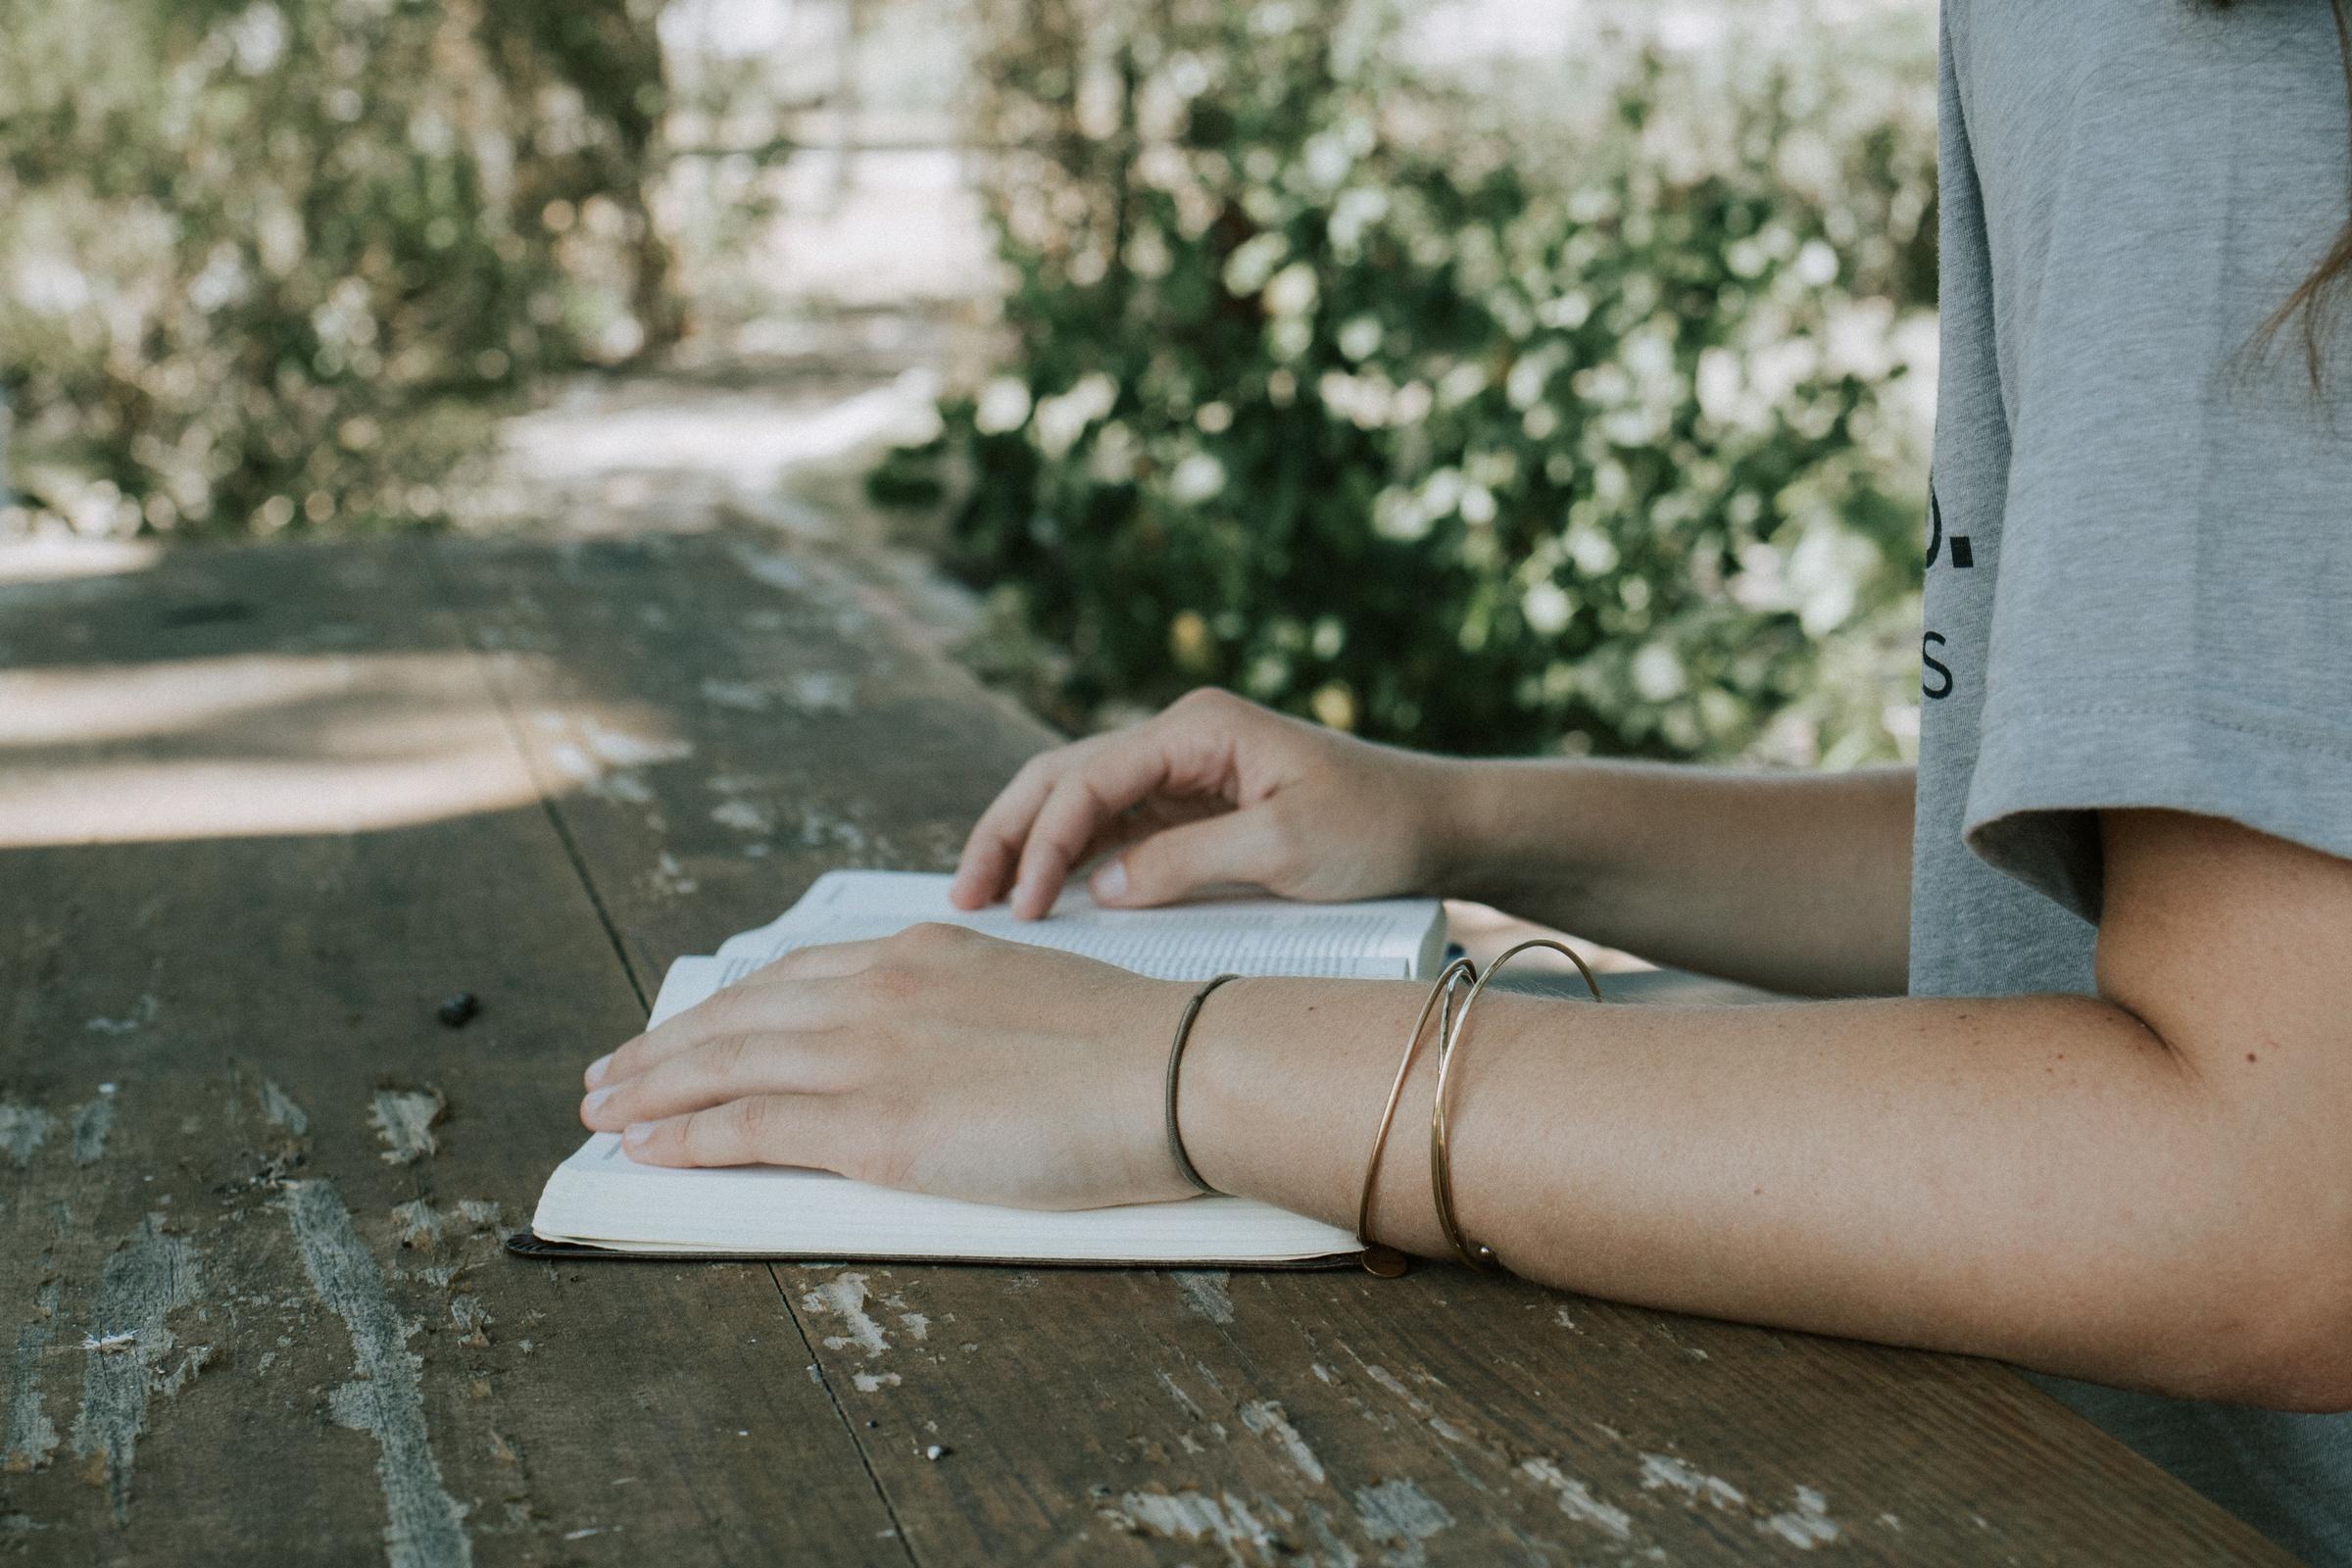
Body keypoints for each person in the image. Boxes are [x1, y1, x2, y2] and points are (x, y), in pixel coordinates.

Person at [576, 4, 2352, 1558]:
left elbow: (2277, 1196)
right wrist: (1462, 821)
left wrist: (1183, 1062)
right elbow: (2153, 920)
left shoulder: (2183, 41)